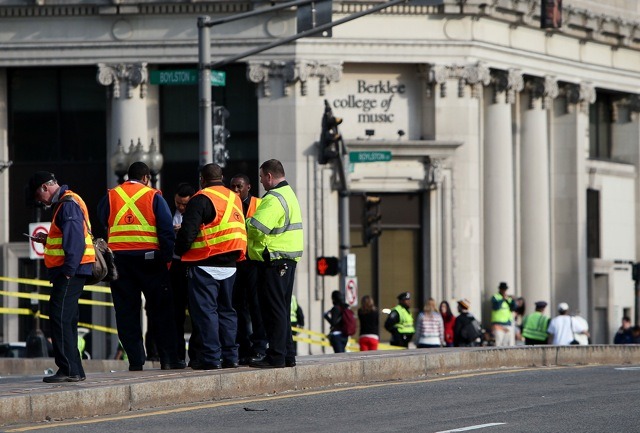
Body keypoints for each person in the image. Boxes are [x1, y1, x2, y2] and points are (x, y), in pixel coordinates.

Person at [97, 161, 183, 371]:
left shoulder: (111, 196)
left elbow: (101, 219)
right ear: (146, 178)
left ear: (128, 176)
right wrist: (167, 259)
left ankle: (136, 360)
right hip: (150, 261)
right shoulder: (154, 196)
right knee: (161, 310)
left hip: (120, 262)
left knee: (126, 311)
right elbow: (165, 231)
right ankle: (169, 359)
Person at [174, 163, 247, 370]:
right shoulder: (235, 198)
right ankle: (231, 356)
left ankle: (211, 358)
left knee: (206, 313)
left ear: (202, 180)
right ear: (222, 177)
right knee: (227, 312)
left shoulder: (200, 199)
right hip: (231, 264)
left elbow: (188, 232)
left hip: (205, 262)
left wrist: (179, 251)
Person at [27, 171, 93, 383]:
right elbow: (67, 238)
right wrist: (47, 240)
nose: (39, 201)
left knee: (59, 316)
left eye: (38, 196)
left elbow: (75, 241)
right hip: (72, 269)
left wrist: (68, 271)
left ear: (46, 188)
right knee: (68, 319)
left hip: (70, 271)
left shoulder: (67, 204)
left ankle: (68, 369)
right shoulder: (68, 203)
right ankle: (76, 370)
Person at [246, 159, 303, 369]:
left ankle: (276, 356)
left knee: (274, 310)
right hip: (287, 259)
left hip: (276, 260)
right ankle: (287, 355)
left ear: (269, 176)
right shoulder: (289, 194)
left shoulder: (273, 198)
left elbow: (257, 228)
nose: (260, 181)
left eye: (261, 177)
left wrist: (246, 221)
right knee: (282, 309)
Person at [229, 173, 267, 365]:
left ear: (248, 187)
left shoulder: (259, 205)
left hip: (253, 261)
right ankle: (243, 348)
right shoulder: (228, 205)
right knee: (238, 307)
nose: (235, 190)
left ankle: (259, 347)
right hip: (235, 262)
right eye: (233, 186)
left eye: (239, 186)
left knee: (256, 306)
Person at [168, 182, 197, 364]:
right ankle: (178, 356)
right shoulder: (171, 214)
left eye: (184, 204)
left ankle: (195, 355)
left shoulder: (197, 211)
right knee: (176, 313)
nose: (180, 207)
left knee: (196, 313)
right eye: (178, 203)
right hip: (176, 265)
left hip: (193, 263)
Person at [491, 282, 516, 347]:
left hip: (507, 323)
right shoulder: (495, 297)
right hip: (498, 324)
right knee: (498, 343)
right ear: (500, 289)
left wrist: (512, 300)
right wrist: (502, 299)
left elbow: (513, 307)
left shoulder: (508, 298)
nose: (504, 291)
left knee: (508, 344)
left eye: (505, 289)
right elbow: (495, 307)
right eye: (503, 289)